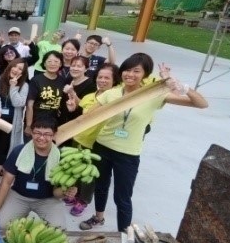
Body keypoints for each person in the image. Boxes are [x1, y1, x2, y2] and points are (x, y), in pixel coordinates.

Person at [78, 53, 208, 232]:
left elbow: (201, 104)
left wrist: (179, 85)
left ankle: (124, 234)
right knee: (101, 187)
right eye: (127, 70)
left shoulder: (154, 95)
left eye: (136, 71)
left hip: (128, 154)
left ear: (145, 74)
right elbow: (87, 117)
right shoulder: (110, 94)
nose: (130, 75)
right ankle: (98, 217)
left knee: (122, 197)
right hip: (102, 147)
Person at [0, 119, 75, 228]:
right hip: (19, 196)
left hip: (47, 199)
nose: (42, 138)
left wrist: (66, 191)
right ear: (31, 133)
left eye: (47, 134)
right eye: (37, 133)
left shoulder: (61, 157)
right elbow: (6, 182)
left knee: (59, 228)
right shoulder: (19, 151)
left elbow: (56, 194)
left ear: (54, 135)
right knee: (1, 224)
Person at [67, 63, 120, 216]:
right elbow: (81, 110)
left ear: (114, 80)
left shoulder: (115, 98)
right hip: (79, 138)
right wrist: (72, 103)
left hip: (96, 143)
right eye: (100, 77)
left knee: (89, 174)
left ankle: (83, 200)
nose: (102, 80)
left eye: (107, 78)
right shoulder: (90, 96)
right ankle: (75, 194)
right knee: (76, 169)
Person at [0, 58, 29, 185]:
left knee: (5, 145)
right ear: (10, 66)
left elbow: (19, 103)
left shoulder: (24, 86)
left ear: (23, 72)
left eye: (20, 69)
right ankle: (0, 167)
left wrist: (13, 87)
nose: (16, 70)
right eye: (15, 66)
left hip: (12, 122)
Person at [25, 51, 64, 135]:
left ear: (60, 64)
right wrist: (28, 125)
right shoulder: (36, 80)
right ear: (44, 64)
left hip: (53, 122)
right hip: (36, 121)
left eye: (56, 61)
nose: (52, 64)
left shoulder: (62, 81)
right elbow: (29, 105)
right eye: (49, 61)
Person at [58, 56, 97, 126]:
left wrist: (72, 92)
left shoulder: (91, 84)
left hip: (78, 123)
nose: (75, 68)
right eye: (73, 65)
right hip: (62, 120)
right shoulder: (68, 80)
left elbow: (86, 106)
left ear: (86, 69)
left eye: (79, 66)